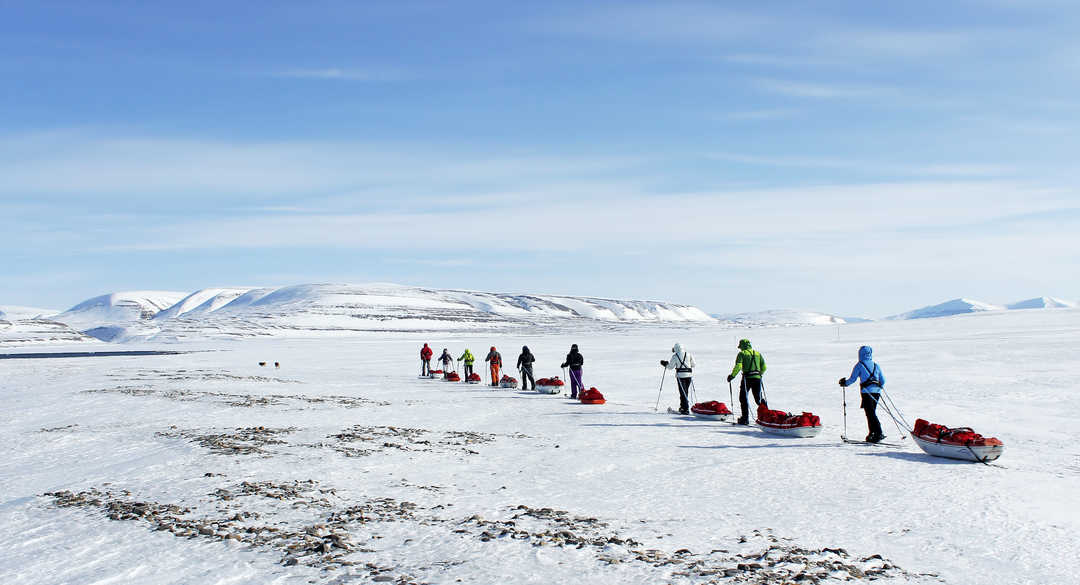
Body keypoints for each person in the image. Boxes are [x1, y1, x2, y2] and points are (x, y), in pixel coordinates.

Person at [839, 345, 886, 443]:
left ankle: (878, 432)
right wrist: (878, 387)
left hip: (866, 392)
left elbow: (853, 379)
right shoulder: (876, 365)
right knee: (871, 413)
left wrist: (844, 383)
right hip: (876, 392)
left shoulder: (859, 365)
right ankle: (872, 433)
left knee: (870, 413)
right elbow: (883, 380)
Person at [726, 339, 768, 425]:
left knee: (743, 398)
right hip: (757, 378)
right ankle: (766, 416)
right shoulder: (757, 353)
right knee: (758, 398)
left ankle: (745, 419)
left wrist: (732, 376)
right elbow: (764, 367)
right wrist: (760, 374)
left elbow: (738, 366)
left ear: (742, 346)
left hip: (747, 378)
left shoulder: (742, 354)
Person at [660, 342, 695, 415]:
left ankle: (685, 409)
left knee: (683, 393)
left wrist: (665, 364)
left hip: (680, 376)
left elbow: (670, 367)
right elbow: (693, 364)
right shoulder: (688, 354)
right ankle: (683, 407)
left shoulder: (675, 356)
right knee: (685, 392)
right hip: (689, 376)